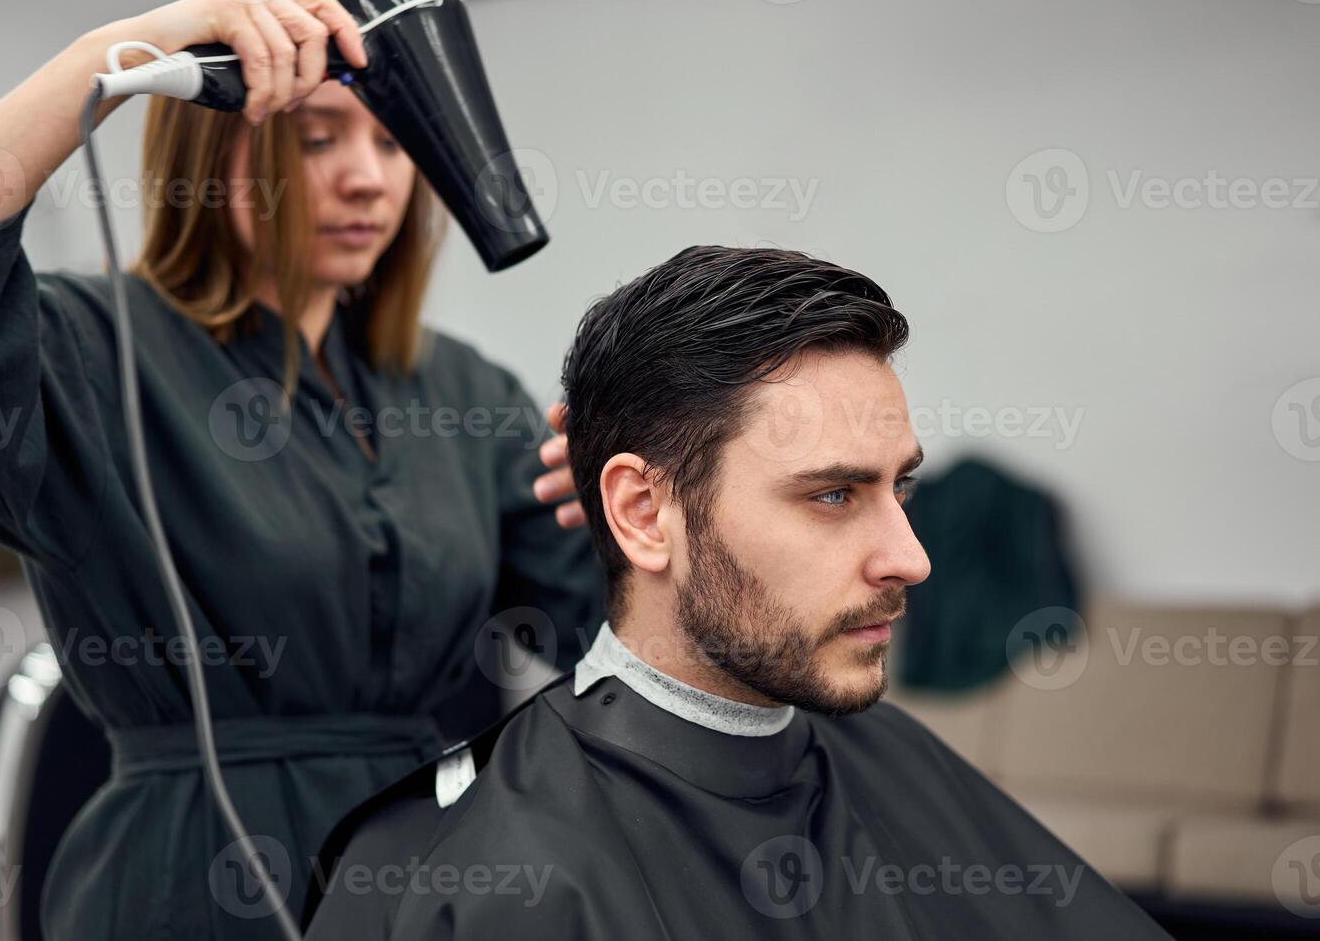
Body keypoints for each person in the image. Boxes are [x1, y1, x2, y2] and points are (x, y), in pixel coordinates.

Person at [0, 0, 602, 938]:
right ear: (212, 145)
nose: (367, 176)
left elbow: (595, 636)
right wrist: (110, 54)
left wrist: (635, 511)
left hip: (426, 877)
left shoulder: (462, 392)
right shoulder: (97, 353)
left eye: (391, 138)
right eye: (318, 137)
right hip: (189, 886)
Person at [304, 245, 1174, 940]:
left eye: (898, 488)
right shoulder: (470, 870)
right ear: (643, 513)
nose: (912, 560)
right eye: (833, 495)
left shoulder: (895, 766)